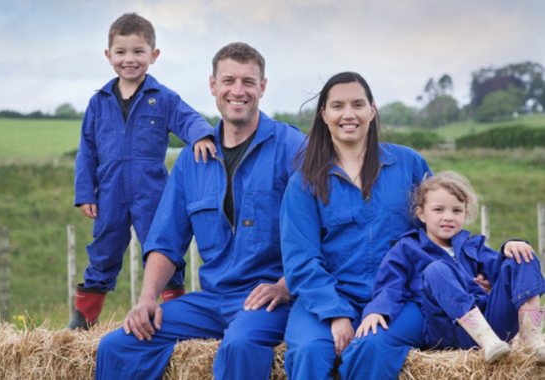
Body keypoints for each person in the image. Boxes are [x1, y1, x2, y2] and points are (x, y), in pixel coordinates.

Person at [95, 42, 305, 380]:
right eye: (228, 81)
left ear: (262, 88)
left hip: (270, 300)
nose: (238, 91)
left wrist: (285, 286)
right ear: (213, 85)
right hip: (212, 301)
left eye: (248, 82)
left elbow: (323, 229)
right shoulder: (192, 161)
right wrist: (147, 299)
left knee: (238, 345)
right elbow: (165, 241)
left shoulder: (293, 149)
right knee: (118, 345)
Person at [280, 71, 432, 380]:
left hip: (400, 297)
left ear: (372, 110)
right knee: (308, 351)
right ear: (323, 114)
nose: (348, 114)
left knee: (371, 348)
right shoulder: (304, 182)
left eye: (358, 104)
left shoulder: (409, 164)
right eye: (337, 106)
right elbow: (300, 259)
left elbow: (441, 226)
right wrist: (335, 313)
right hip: (327, 296)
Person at [70, 13, 217, 330]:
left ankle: (174, 311)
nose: (129, 59)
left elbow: (188, 119)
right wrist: (85, 193)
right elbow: (87, 151)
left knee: (162, 249)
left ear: (154, 55)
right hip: (109, 195)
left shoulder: (163, 98)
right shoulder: (99, 102)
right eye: (121, 52)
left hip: (153, 195)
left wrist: (201, 135)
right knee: (103, 251)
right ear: (108, 56)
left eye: (138, 51)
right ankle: (84, 318)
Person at [357, 171, 545, 363]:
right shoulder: (408, 248)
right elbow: (390, 285)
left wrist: (511, 246)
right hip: (448, 330)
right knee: (436, 269)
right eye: (438, 210)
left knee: (522, 254)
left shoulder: (473, 245)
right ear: (421, 213)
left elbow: (505, 274)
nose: (448, 217)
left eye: (456, 211)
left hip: (492, 325)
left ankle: (531, 341)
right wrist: (377, 310)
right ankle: (485, 341)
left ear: (466, 213)